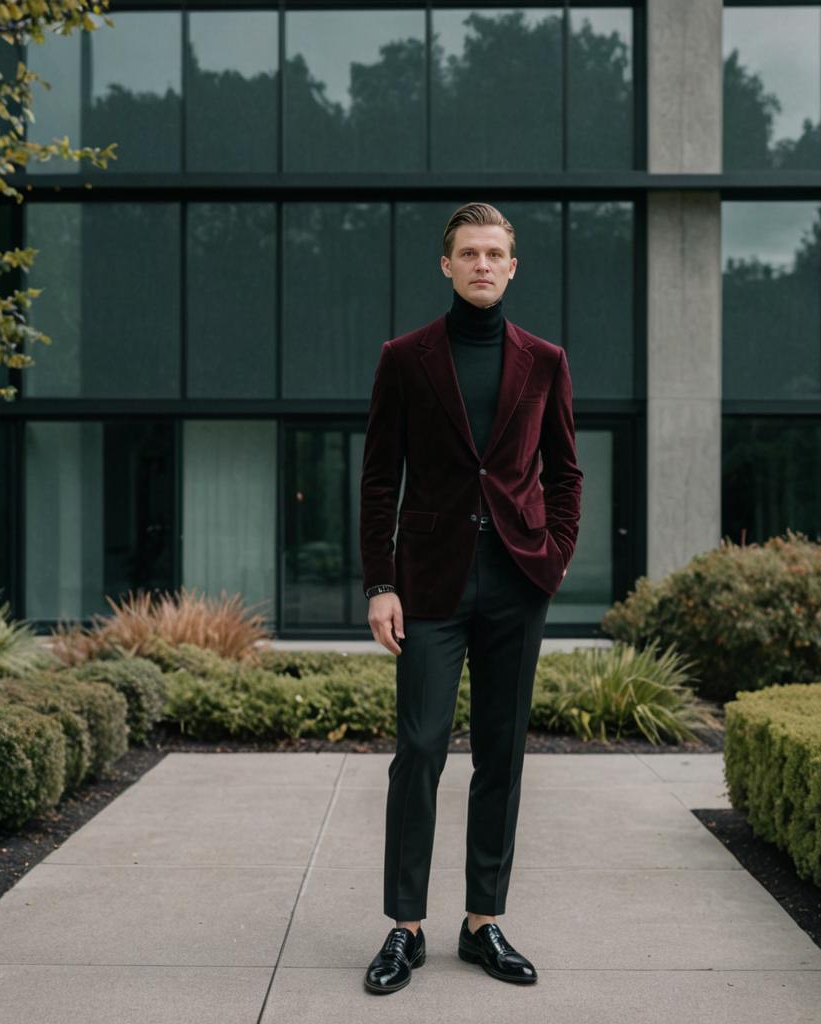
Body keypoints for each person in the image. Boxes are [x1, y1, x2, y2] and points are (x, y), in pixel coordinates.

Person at [359, 201, 583, 994]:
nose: (483, 264)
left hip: (517, 582)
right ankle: (404, 927)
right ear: (446, 265)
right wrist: (380, 582)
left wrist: (551, 561)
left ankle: (483, 921)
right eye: (468, 253)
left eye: (495, 252)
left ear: (513, 266)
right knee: (419, 748)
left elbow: (565, 472)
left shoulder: (545, 360)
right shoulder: (406, 356)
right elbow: (380, 475)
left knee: (502, 755)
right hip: (430, 583)